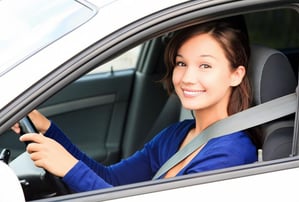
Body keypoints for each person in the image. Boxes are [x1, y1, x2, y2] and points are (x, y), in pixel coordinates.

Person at [12, 16, 258, 193]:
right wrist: (49, 131)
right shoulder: (177, 134)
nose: (187, 78)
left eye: (205, 65)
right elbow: (112, 179)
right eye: (181, 63)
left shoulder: (231, 154)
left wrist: (70, 168)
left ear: (235, 74)